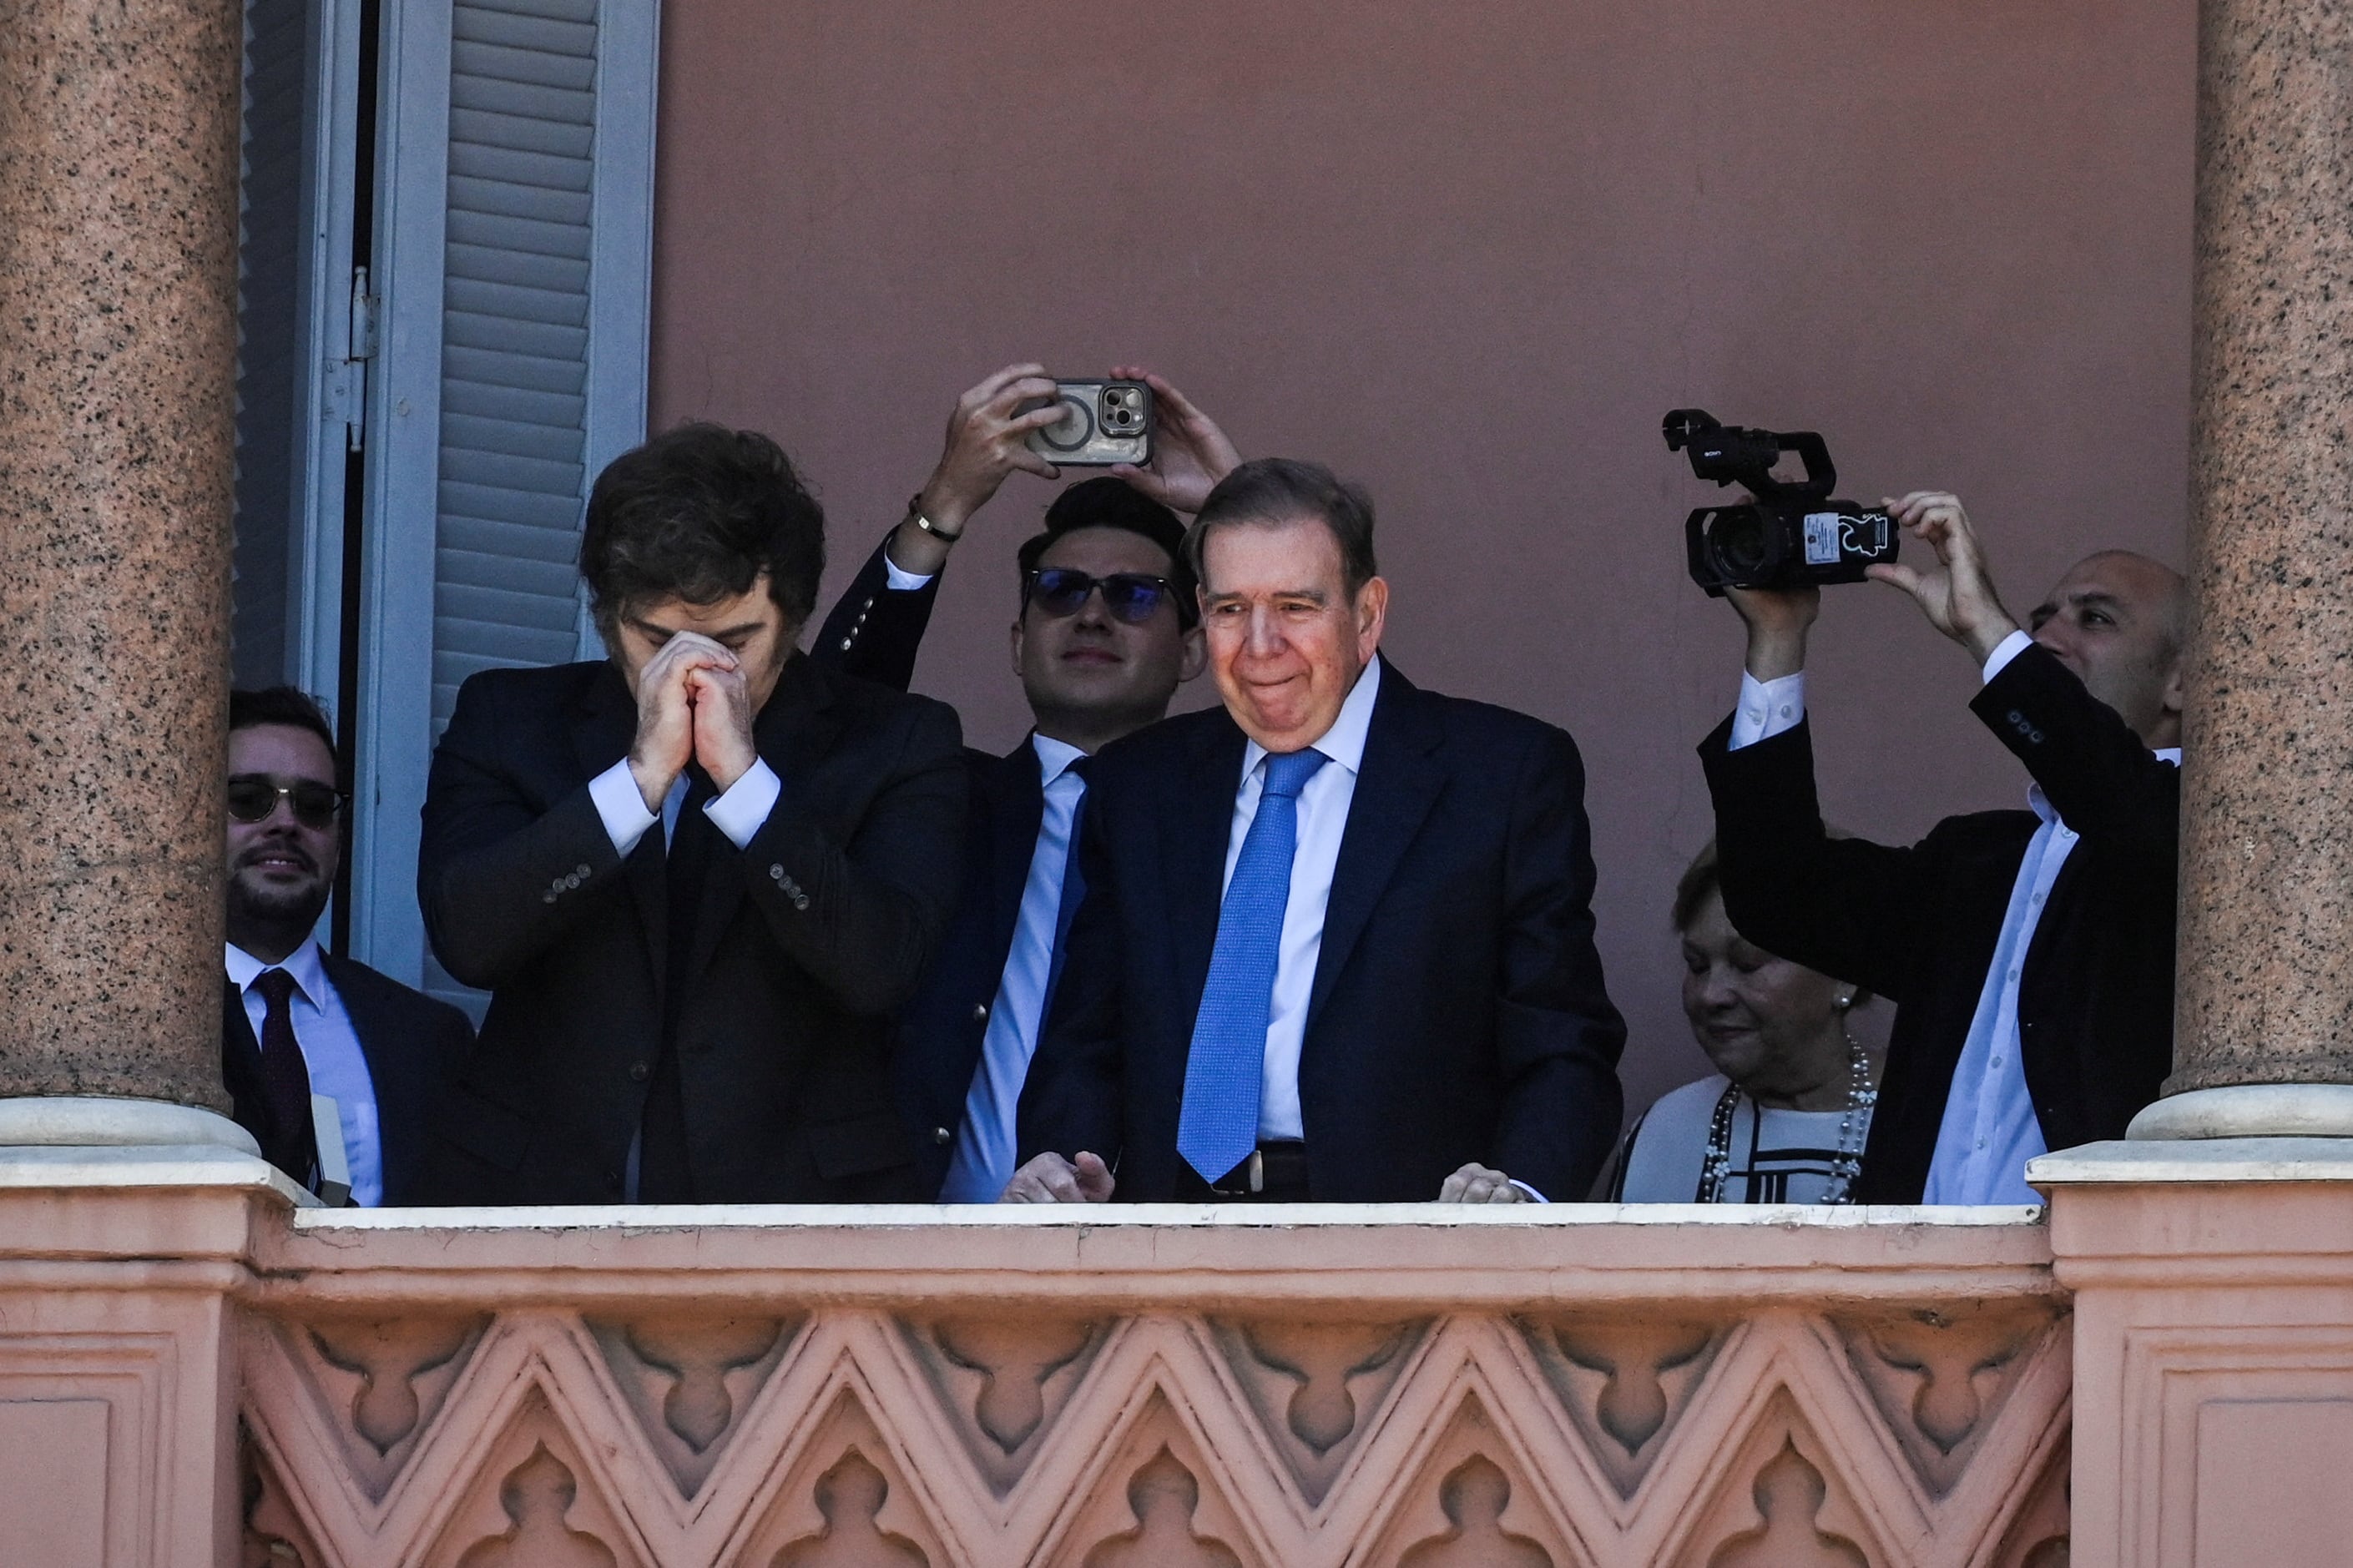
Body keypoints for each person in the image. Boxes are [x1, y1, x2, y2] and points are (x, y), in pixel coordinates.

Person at [1007, 457, 1626, 1204]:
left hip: (1408, 1246)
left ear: (1367, 616)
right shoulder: (1140, 785)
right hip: (1166, 1249)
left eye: (1296, 606)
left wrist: (1518, 1201)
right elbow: (1086, 1037)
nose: (1261, 644)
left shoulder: (1499, 775)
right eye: (1232, 608)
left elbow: (1563, 1043)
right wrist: (1060, 1161)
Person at [414, 424, 967, 1204]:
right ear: (609, 621)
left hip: (795, 1217)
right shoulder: (509, 718)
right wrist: (637, 782)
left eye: (736, 641)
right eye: (658, 641)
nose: (697, 671)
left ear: (797, 618)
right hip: (534, 1203)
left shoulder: (899, 742)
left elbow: (880, 967)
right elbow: (467, 937)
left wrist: (744, 784)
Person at [808, 364, 1232, 1200]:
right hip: (903, 1262)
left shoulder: (1240, 827)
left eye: (1135, 595)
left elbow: (1360, 741)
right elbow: (826, 727)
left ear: (1193, 650)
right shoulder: (939, 799)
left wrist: (1244, 515)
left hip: (1141, 1266)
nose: (1091, 614)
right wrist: (945, 502)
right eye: (1059, 590)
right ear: (1016, 639)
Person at [1701, 491, 2184, 1204]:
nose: (2049, 635)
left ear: (2183, 680)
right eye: (2037, 619)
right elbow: (1779, 892)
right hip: (1920, 1289)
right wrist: (1779, 638)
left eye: (2095, 618)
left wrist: (1986, 630)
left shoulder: (2203, 844)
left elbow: (2118, 803)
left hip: (2106, 1288)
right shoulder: (1975, 861)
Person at [222, 687, 471, 1204]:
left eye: (313, 806)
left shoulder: (429, 1041)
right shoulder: (145, 1020)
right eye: (249, 800)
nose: (285, 823)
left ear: (338, 842)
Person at [1606, 844, 1877, 1204]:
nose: (1710, 995)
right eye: (1698, 965)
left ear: (1845, 976)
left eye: (1748, 963)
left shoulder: (1940, 1126)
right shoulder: (1670, 1129)